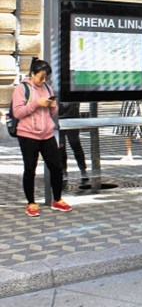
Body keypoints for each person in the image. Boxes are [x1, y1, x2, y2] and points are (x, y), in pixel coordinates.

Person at [13, 57, 72, 217]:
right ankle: (31, 203)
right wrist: (36, 103)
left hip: (47, 134)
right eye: (41, 77)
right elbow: (18, 112)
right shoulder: (21, 88)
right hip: (27, 135)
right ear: (32, 74)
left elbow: (52, 113)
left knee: (56, 167)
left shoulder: (47, 88)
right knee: (30, 169)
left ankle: (57, 200)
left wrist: (53, 107)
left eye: (47, 77)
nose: (44, 80)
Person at [58, 101, 88, 181]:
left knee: (75, 144)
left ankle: (83, 169)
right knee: (61, 147)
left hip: (71, 121)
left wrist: (60, 117)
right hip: (59, 122)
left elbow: (74, 107)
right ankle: (63, 171)